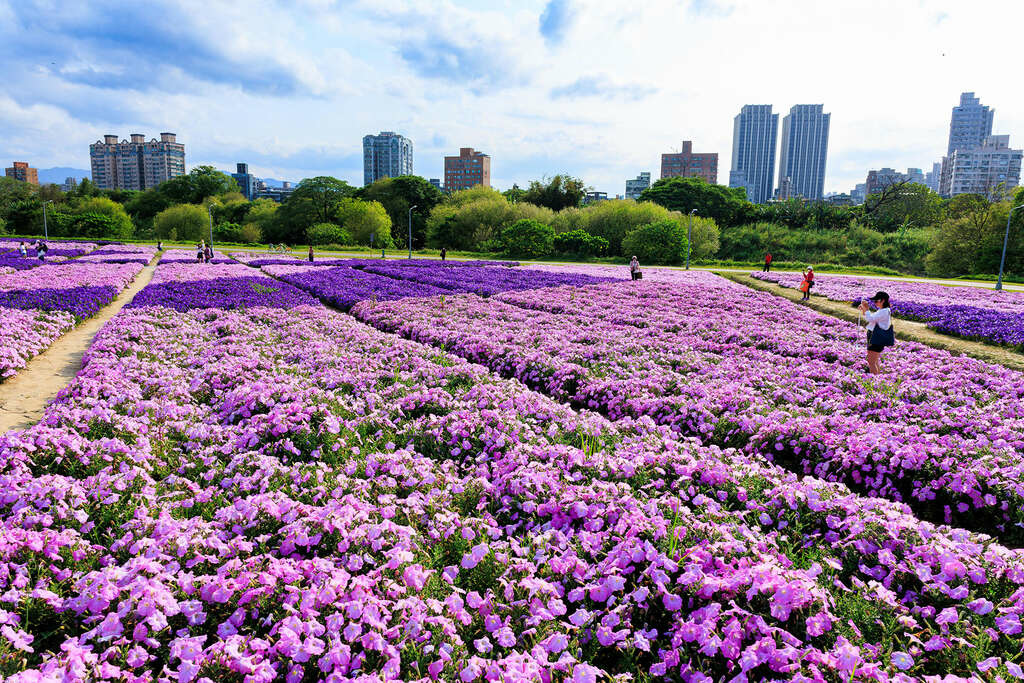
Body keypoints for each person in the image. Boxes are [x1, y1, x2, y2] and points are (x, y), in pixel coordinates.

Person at [859, 291, 894, 375]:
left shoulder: (884, 311)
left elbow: (870, 319)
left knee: (871, 362)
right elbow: (870, 318)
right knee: (875, 360)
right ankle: (877, 378)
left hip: (876, 337)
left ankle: (874, 381)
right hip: (876, 336)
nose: (875, 303)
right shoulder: (883, 310)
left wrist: (866, 309)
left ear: (883, 300)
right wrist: (864, 309)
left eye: (876, 301)